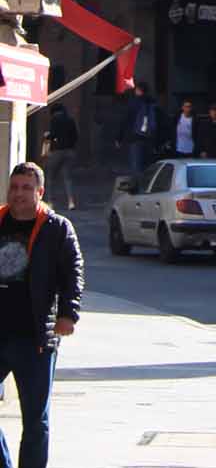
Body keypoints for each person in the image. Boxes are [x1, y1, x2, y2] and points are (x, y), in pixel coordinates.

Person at [0, 160, 83, 468]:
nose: (18, 194)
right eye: (14, 187)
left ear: (40, 191)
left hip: (34, 337)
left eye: (26, 188)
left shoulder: (56, 227)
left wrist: (68, 314)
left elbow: (73, 274)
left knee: (35, 419)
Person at [115, 84, 159, 183]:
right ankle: (148, 186)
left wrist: (119, 138)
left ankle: (138, 188)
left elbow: (125, 121)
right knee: (147, 165)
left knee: (136, 165)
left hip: (135, 137)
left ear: (138, 91)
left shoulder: (133, 103)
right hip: (149, 138)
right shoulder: (153, 103)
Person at [39, 116, 76, 218]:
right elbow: (75, 136)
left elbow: (52, 136)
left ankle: (50, 202)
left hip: (57, 151)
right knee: (67, 177)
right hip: (69, 151)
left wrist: (48, 136)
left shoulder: (55, 121)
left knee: (50, 176)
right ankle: (71, 202)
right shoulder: (70, 120)